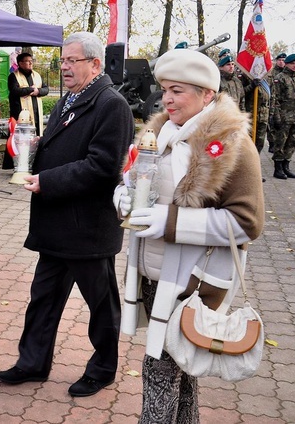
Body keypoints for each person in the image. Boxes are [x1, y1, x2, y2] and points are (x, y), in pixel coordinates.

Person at [115, 49, 265, 422]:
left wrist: (171, 222)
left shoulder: (232, 143)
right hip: (154, 275)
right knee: (180, 365)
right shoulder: (158, 134)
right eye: (164, 89)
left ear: (207, 95)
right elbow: (136, 181)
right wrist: (123, 196)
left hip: (193, 281)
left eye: (178, 90)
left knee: (158, 368)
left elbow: (248, 222)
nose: (166, 98)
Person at [0, 32, 134, 397]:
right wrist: (33, 149)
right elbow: (64, 145)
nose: (65, 67)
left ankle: (102, 368)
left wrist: (46, 180)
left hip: (87, 229)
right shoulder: (69, 100)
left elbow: (103, 166)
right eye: (63, 61)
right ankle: (33, 362)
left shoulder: (110, 104)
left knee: (100, 305)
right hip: (57, 225)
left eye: (73, 60)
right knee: (43, 298)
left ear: (95, 64)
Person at [3, 52, 49, 169]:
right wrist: (30, 90)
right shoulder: (13, 76)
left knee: (36, 137)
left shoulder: (37, 75)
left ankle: (35, 163)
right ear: (20, 63)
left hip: (36, 112)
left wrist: (38, 92)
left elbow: (46, 89)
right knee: (19, 139)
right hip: (20, 113)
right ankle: (19, 164)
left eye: (31, 61)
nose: (30, 63)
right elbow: (14, 90)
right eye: (27, 61)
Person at [270, 53, 295, 179]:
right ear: (287, 64)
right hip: (285, 115)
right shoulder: (280, 78)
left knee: (292, 142)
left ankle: (286, 166)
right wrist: (277, 117)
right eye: (292, 63)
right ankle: (278, 168)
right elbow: (275, 100)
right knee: (281, 142)